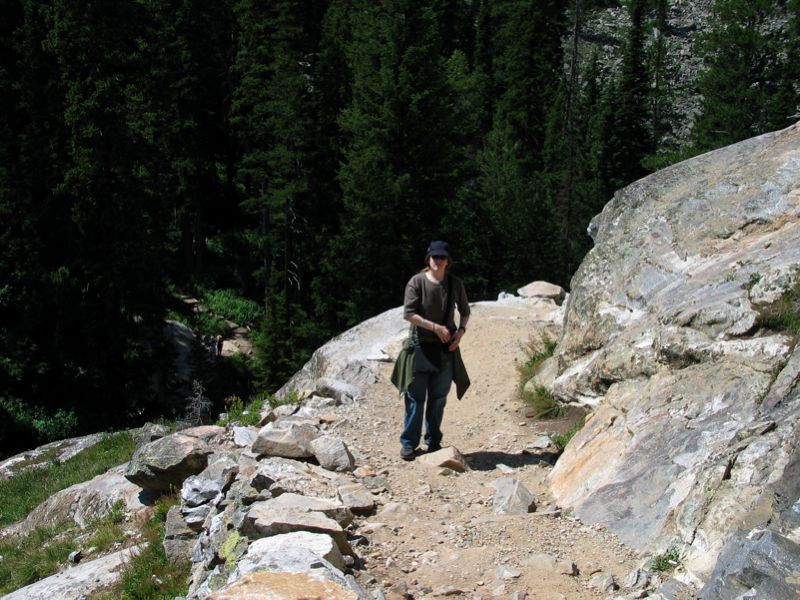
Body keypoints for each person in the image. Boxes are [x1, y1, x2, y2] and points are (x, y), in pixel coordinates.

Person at [391, 240, 471, 461]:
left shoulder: (455, 284)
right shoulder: (416, 282)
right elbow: (409, 313)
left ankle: (433, 441)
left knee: (438, 398)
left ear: (448, 260)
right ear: (428, 259)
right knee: (415, 398)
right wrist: (435, 327)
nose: (438, 261)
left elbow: (465, 311)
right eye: (435, 257)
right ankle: (408, 444)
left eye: (442, 257)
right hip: (419, 347)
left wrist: (460, 333)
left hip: (445, 350)